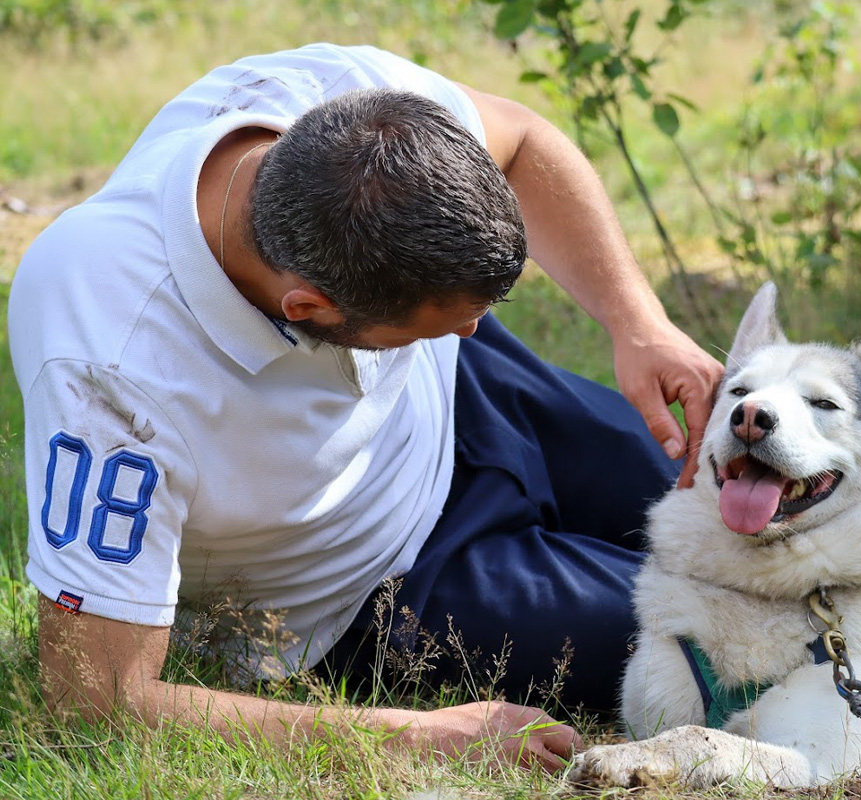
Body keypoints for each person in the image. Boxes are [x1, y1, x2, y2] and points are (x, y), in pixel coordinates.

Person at [9, 43, 723, 772]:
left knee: (768, 515)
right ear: (309, 306)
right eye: (449, 316)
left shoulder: (345, 107)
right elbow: (95, 697)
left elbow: (522, 139)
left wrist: (639, 323)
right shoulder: (112, 369)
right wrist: (413, 735)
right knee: (729, 637)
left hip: (472, 392)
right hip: (371, 586)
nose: (475, 323)